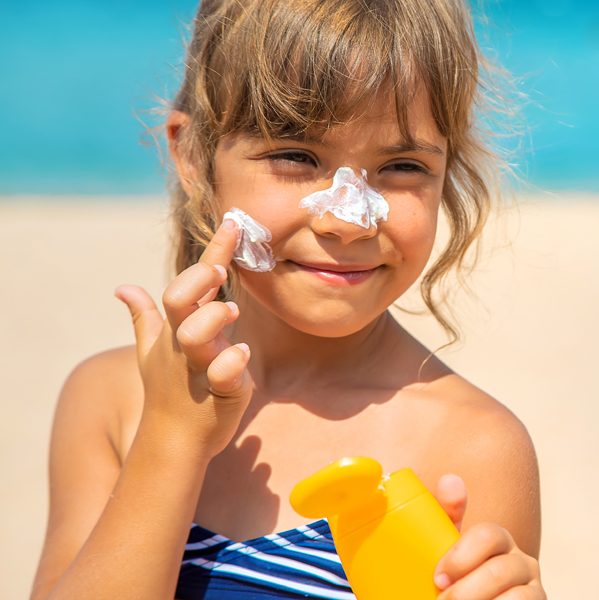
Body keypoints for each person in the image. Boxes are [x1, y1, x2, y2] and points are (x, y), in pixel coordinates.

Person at [30, 0, 544, 598]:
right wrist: (171, 436)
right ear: (193, 154)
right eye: (297, 156)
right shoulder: (112, 400)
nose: (348, 222)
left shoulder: (472, 445)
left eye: (402, 166)